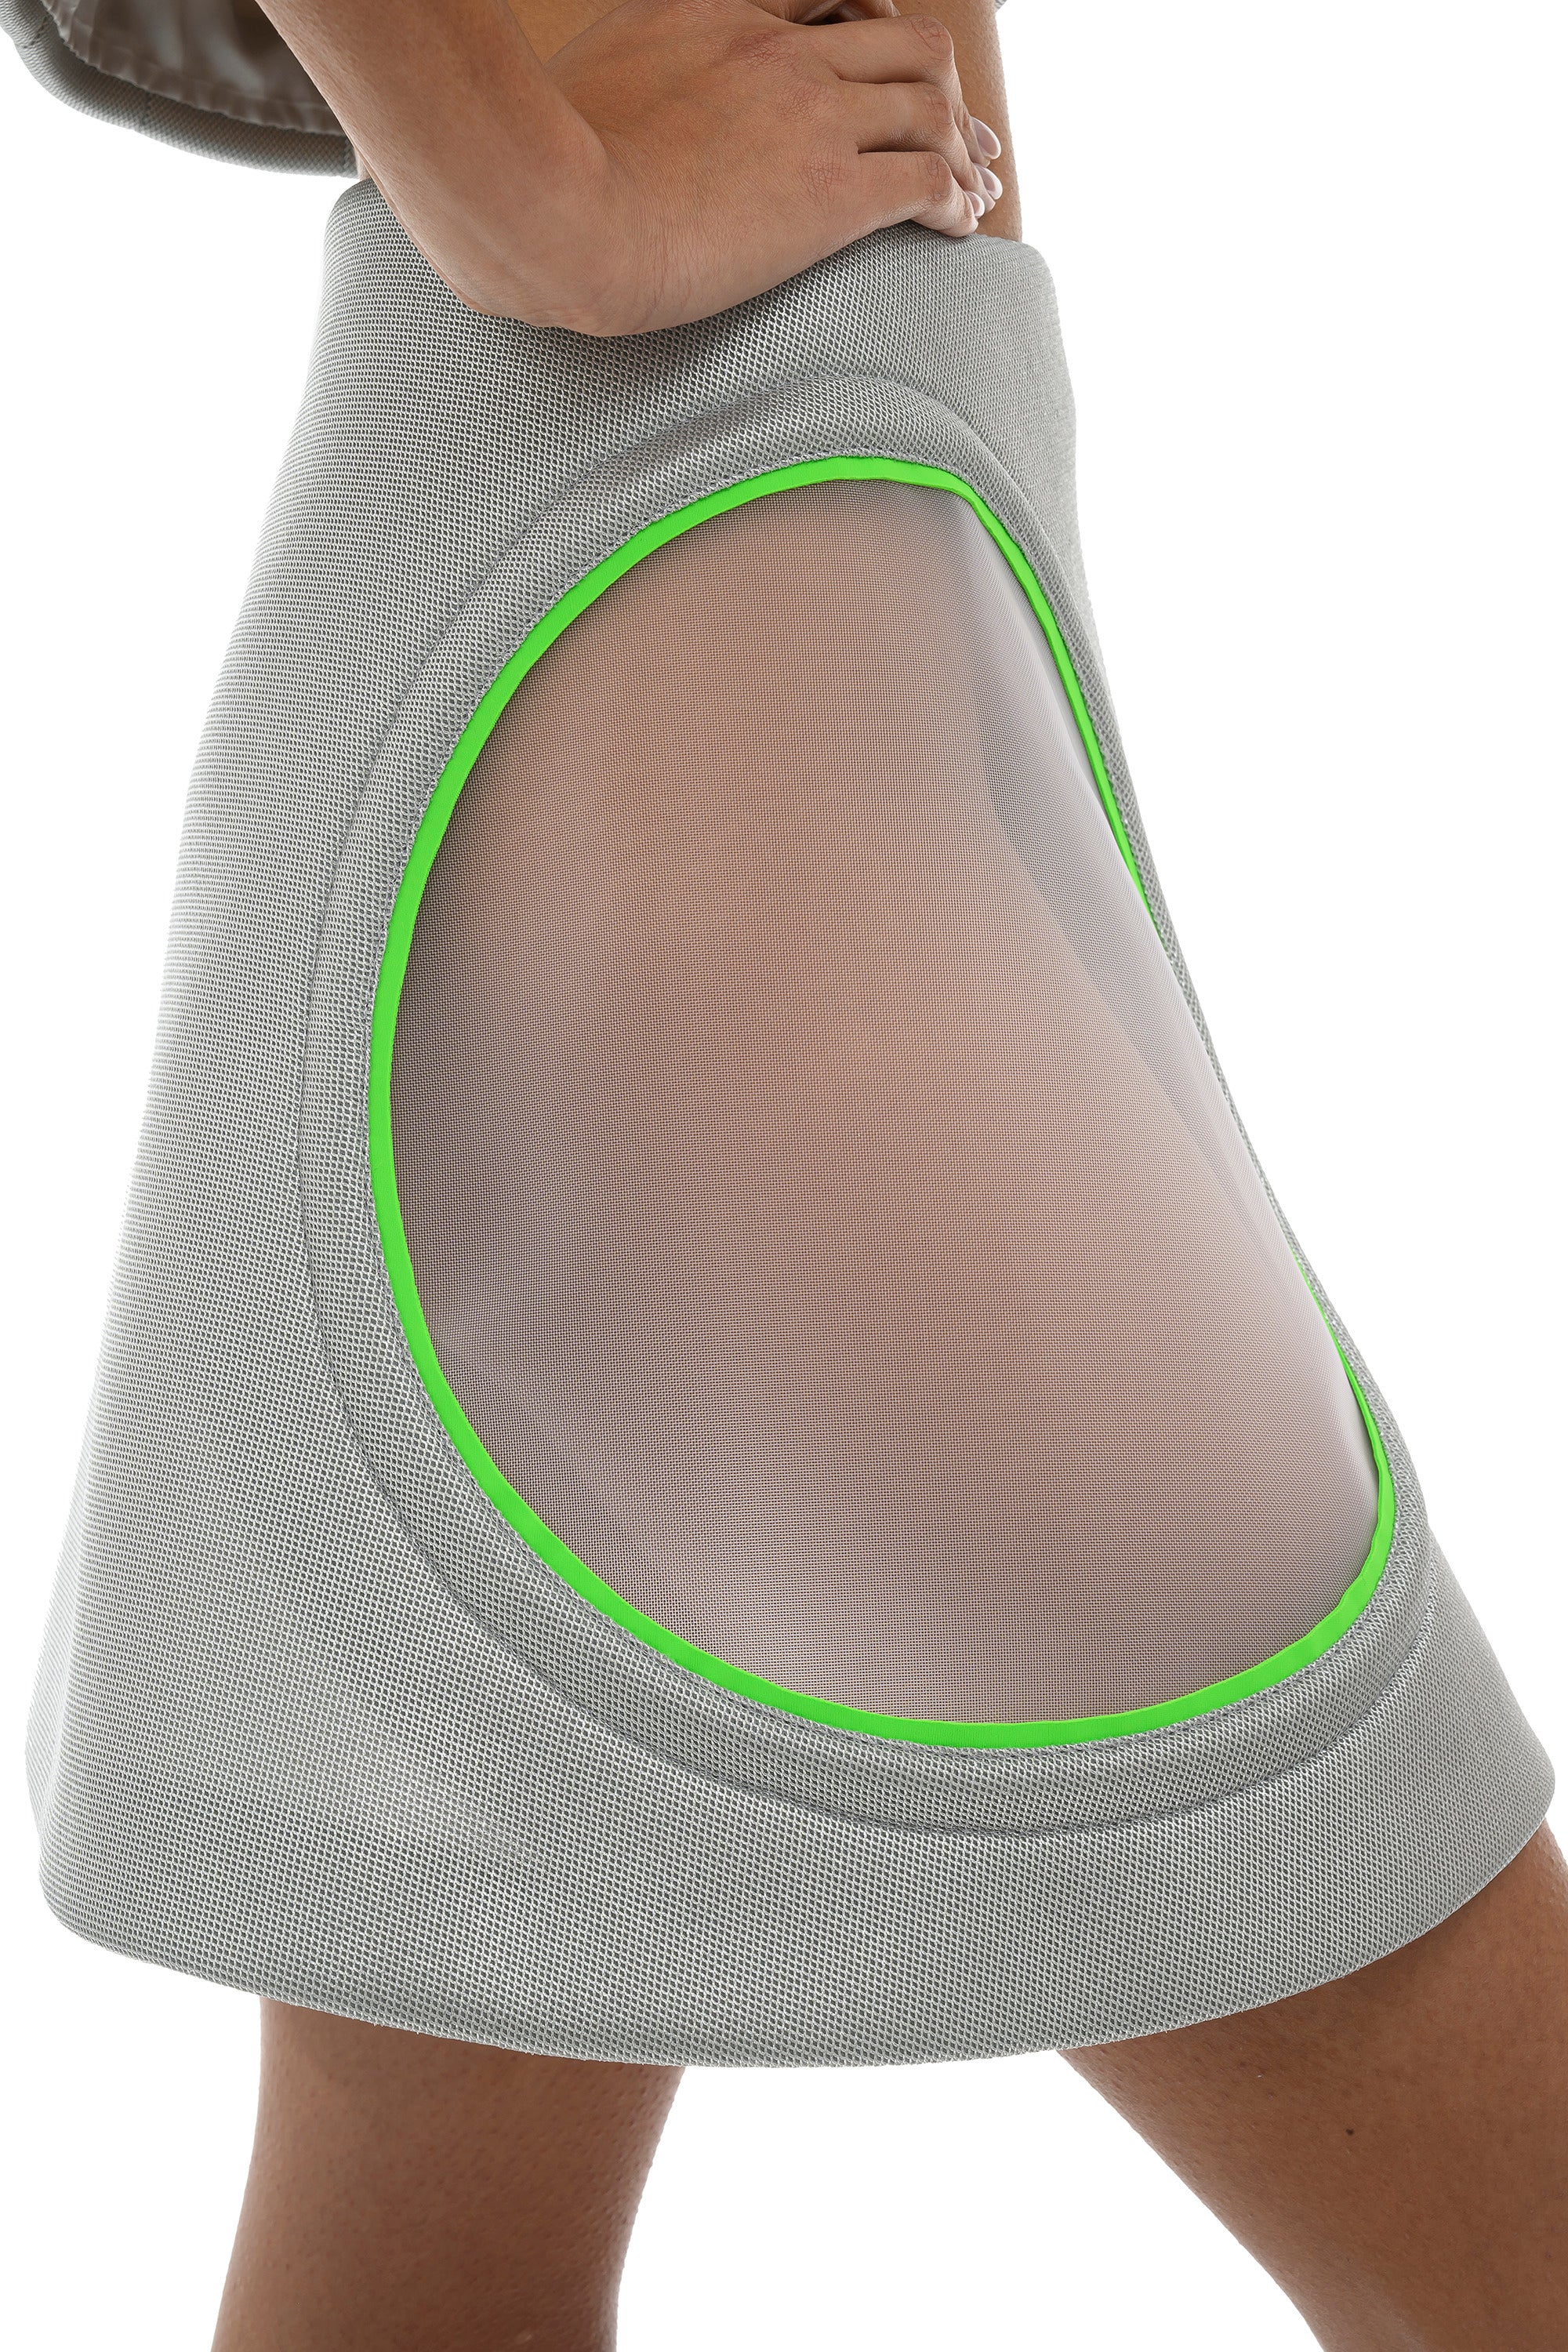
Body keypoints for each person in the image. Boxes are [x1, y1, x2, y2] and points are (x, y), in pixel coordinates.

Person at [6, 4, 1563, 2347]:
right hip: (691, 641)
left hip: (701, 554)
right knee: (1366, 1963)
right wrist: (541, 191)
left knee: (439, 2183)